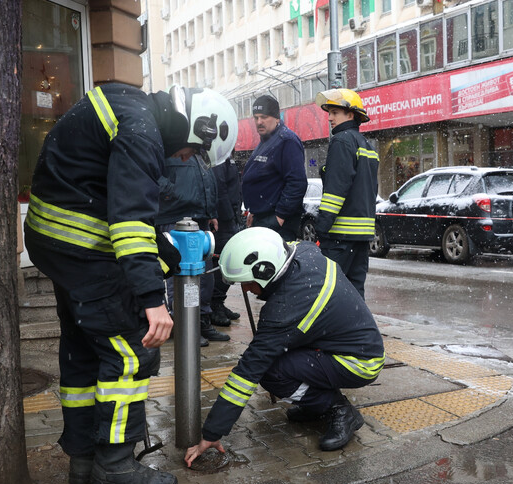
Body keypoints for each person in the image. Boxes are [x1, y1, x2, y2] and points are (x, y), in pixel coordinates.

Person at [24, 83, 238, 484]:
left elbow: (113, 199)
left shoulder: (129, 106)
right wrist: (152, 302)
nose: (183, 158)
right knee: (132, 350)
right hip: (83, 247)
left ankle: (83, 459)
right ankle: (116, 464)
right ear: (193, 127)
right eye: (192, 150)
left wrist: (167, 256)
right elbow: (128, 220)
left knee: (85, 350)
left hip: (57, 243)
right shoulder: (142, 131)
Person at [184, 227, 385, 466]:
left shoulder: (286, 308)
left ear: (265, 271)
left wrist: (212, 433)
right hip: (346, 344)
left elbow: (248, 372)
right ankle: (315, 403)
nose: (246, 289)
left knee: (271, 373)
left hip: (359, 362)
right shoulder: (304, 252)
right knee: (280, 360)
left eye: (247, 283)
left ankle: (338, 410)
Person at [155, 156, 229, 344]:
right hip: (174, 216)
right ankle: (183, 325)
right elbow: (153, 174)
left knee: (204, 277)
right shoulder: (168, 142)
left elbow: (205, 181)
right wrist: (172, 193)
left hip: (198, 218)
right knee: (179, 275)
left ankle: (201, 321)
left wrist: (210, 213)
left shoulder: (197, 151)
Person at [313, 88, 380, 298]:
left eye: (335, 113)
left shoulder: (341, 140)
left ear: (350, 115)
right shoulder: (366, 146)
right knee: (354, 292)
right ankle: (358, 330)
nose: (330, 118)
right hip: (361, 236)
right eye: (329, 113)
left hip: (340, 237)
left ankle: (332, 331)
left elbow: (335, 192)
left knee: (329, 292)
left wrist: (321, 228)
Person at [241, 95, 307, 241]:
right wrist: (253, 211)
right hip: (263, 218)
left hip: (277, 222)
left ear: (277, 118)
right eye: (256, 118)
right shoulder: (267, 141)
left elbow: (297, 182)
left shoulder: (286, 141)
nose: (259, 122)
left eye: (264, 117)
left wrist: (280, 216)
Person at [209, 156, 244, 327]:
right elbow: (219, 188)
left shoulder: (227, 156)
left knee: (225, 262)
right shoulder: (219, 157)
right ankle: (214, 304)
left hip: (230, 217)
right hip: (224, 220)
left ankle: (218, 302)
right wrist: (229, 214)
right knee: (223, 262)